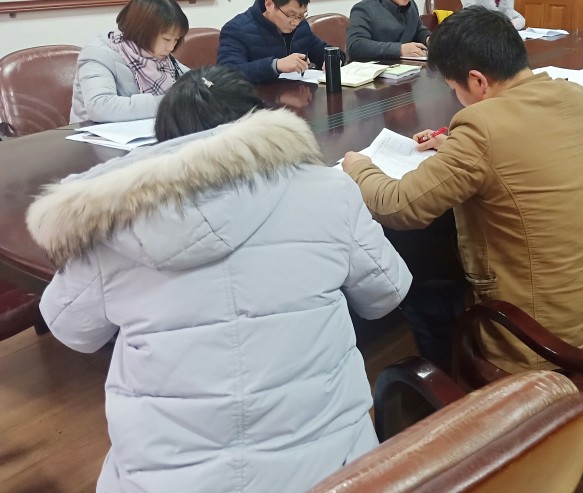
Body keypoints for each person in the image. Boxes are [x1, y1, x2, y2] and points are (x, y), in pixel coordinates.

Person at [30, 65, 412, 493]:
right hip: (334, 472)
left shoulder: (113, 221)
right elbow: (386, 293)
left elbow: (71, 329)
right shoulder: (328, 190)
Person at [342, 6, 583, 373]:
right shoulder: (577, 96)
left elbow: (398, 205)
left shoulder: (482, 125)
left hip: (543, 337)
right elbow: (527, 141)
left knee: (421, 292)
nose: (457, 98)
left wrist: (358, 166)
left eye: (454, 89)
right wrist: (454, 146)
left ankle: (456, 389)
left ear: (477, 81)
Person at [70, 0, 188, 123]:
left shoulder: (158, 55)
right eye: (166, 39)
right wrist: (170, 102)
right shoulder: (97, 53)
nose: (171, 47)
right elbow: (100, 106)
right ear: (143, 31)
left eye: (176, 39)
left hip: (144, 129)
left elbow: (192, 80)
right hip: (94, 132)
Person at [217, 0, 336, 83]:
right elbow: (227, 74)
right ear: (269, 5)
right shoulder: (236, 29)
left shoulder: (301, 25)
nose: (295, 22)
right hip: (258, 96)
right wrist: (276, 65)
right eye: (291, 15)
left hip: (299, 93)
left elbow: (324, 50)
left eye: (301, 15)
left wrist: (334, 59)